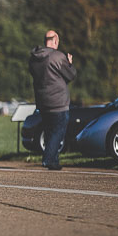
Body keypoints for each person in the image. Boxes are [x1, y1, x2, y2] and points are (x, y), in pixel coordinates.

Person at [28, 30, 76, 170]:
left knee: (49, 131)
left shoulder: (34, 58)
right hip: (58, 101)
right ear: (55, 40)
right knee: (58, 130)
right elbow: (71, 75)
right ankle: (48, 159)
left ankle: (53, 160)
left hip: (42, 100)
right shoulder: (57, 57)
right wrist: (70, 64)